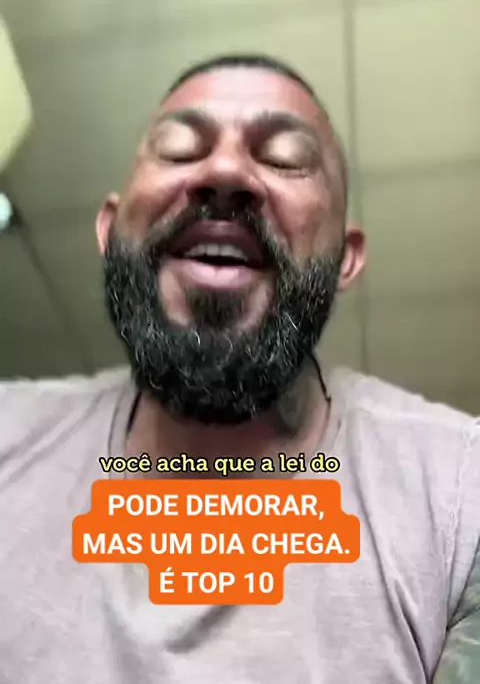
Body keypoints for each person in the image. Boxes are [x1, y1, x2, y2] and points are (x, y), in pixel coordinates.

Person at [0, 53, 478, 683]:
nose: (225, 171)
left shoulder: (463, 496)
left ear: (344, 257)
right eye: (179, 150)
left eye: (283, 158)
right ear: (110, 229)